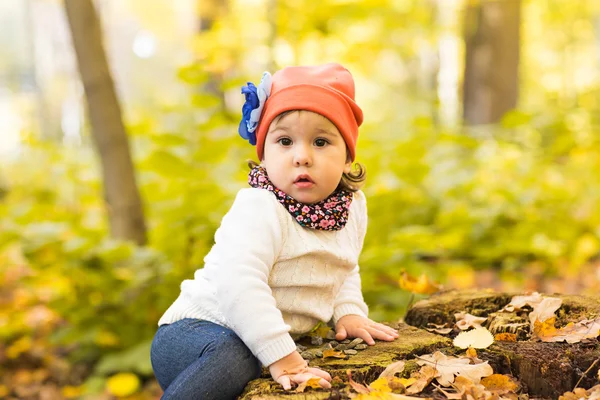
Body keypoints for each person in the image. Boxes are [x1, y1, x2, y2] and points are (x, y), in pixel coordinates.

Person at [150, 63, 399, 400]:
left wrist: (350, 310)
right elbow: (240, 284)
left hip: (249, 341)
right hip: (194, 333)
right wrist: (285, 360)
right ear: (264, 155)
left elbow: (342, 266)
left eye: (321, 142)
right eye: (284, 141)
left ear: (347, 157)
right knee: (238, 357)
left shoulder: (351, 207)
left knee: (245, 357)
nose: (302, 157)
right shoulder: (260, 208)